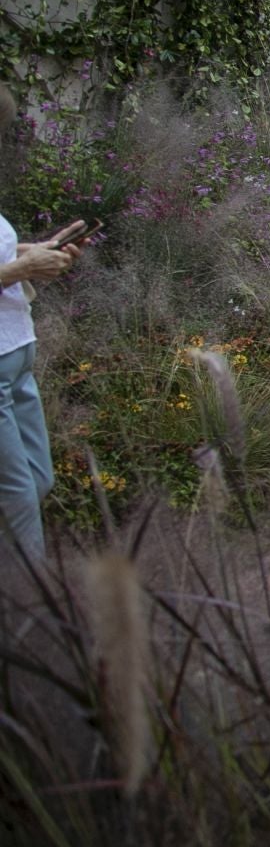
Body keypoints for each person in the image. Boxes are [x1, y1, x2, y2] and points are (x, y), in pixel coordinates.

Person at [1, 91, 90, 562]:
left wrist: (37, 251)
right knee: (17, 494)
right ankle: (29, 599)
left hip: (17, 353)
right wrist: (20, 270)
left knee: (38, 479)